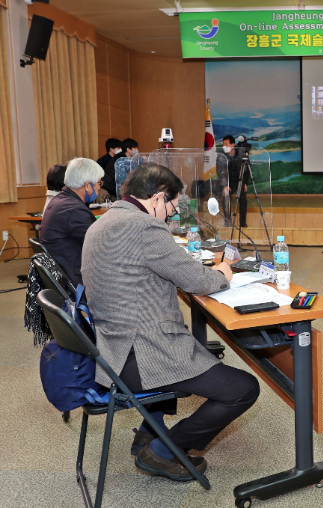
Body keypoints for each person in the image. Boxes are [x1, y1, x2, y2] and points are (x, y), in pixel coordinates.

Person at [81, 163, 259, 481]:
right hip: (143, 354)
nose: (171, 216)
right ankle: (164, 451)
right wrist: (223, 272)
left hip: (113, 351)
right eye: (172, 208)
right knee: (243, 389)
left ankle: (149, 433)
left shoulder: (104, 221)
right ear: (160, 198)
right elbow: (198, 281)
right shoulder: (144, 227)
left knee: (200, 358)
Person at [40, 158, 103, 285]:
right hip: (74, 277)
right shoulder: (74, 210)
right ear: (87, 185)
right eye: (99, 183)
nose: (99, 187)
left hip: (63, 270)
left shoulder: (60, 200)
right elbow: (101, 246)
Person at [100, 138, 139, 202]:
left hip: (111, 189)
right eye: (135, 148)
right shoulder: (120, 158)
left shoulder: (124, 158)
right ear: (128, 149)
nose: (137, 150)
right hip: (106, 190)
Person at [222, 135, 248, 227]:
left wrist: (244, 182)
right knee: (225, 196)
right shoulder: (221, 155)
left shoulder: (240, 153)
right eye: (223, 144)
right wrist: (224, 185)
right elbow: (220, 172)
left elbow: (246, 169)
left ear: (232, 145)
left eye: (226, 144)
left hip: (239, 180)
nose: (224, 146)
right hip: (228, 181)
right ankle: (228, 221)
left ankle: (243, 222)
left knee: (243, 198)